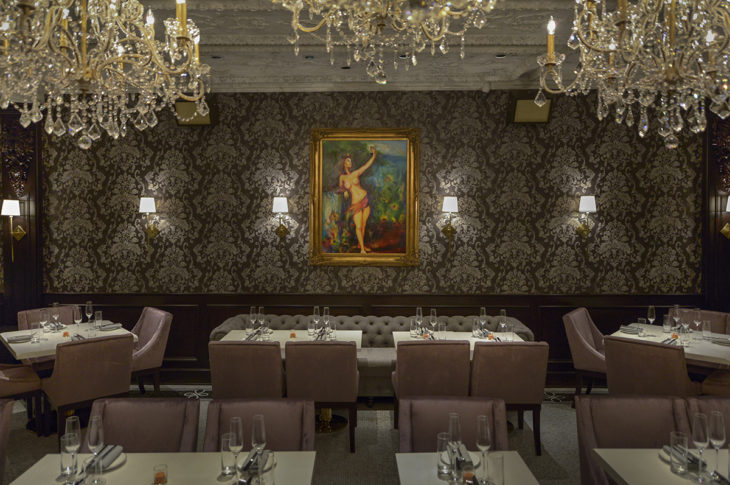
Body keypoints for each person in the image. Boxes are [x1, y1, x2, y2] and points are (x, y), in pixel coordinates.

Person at [339, 145, 376, 253]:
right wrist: (345, 191)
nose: (350, 163)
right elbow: (341, 187)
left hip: (365, 198)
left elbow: (366, 165)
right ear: (344, 163)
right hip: (355, 203)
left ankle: (361, 246)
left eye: (350, 161)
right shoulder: (342, 177)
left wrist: (374, 155)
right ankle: (363, 250)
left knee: (363, 224)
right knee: (358, 226)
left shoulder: (355, 173)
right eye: (348, 161)